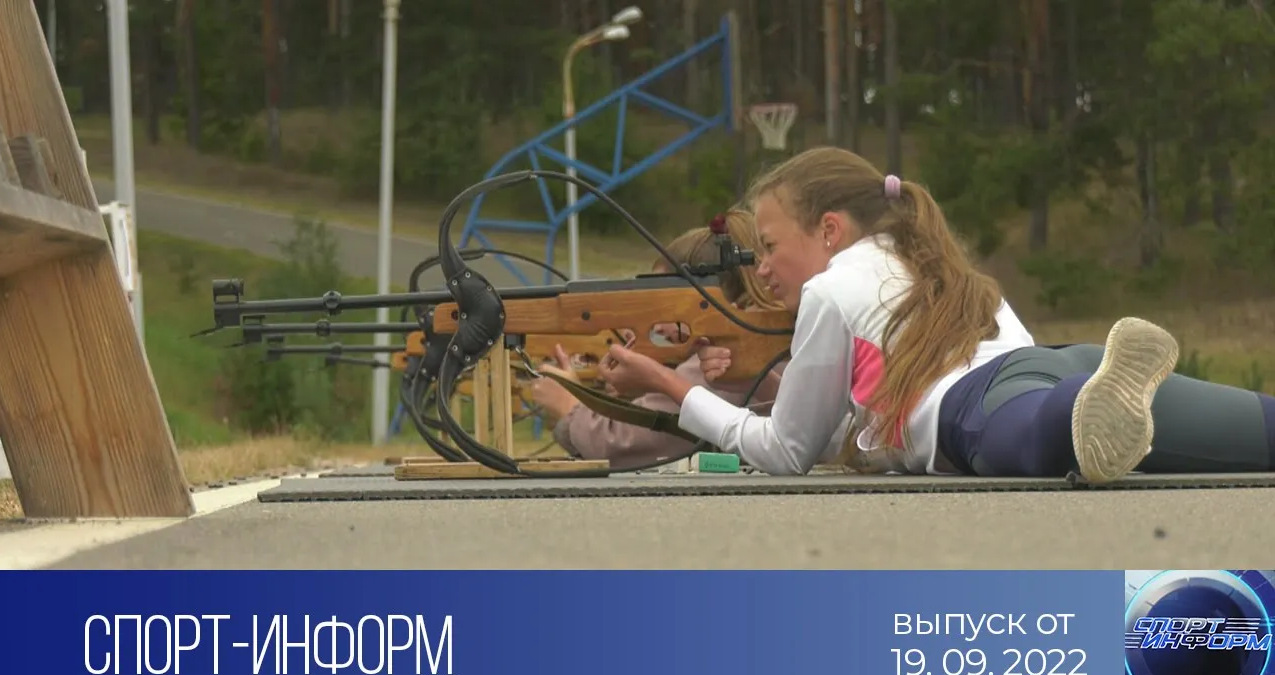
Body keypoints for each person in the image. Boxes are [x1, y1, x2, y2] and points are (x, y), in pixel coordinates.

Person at [594, 146, 1275, 481]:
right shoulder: (931, 261)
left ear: (828, 230)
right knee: (1257, 432)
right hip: (1059, 362)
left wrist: (670, 386)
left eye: (770, 247)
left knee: (1046, 440)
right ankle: (1096, 397)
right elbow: (848, 422)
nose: (762, 268)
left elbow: (787, 451)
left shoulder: (830, 292)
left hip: (982, 408)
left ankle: (1084, 409)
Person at [528, 209, 788, 467]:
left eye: (666, 306)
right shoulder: (765, 338)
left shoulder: (729, 351)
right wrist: (642, 389)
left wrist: (567, 404)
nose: (660, 327)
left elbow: (618, 443)